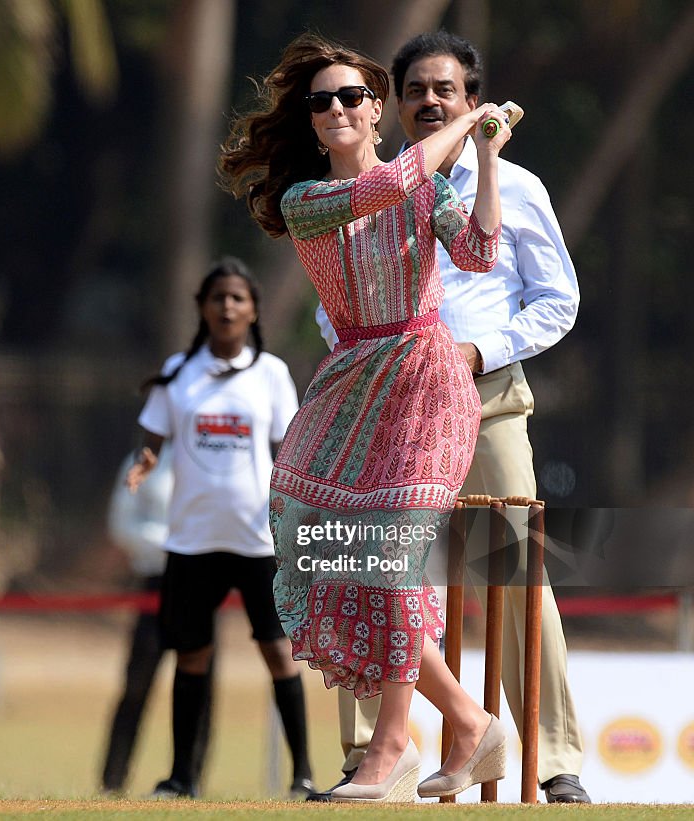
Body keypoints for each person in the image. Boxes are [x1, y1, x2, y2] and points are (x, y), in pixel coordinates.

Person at [219, 34, 513, 803]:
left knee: (391, 558)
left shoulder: (425, 184)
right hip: (353, 381)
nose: (338, 108)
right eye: (323, 102)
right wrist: (465, 120)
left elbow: (480, 255)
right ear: (312, 123)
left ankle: (391, 749)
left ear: (376, 109)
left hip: (428, 376)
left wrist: (484, 158)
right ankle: (470, 720)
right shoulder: (305, 200)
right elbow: (388, 186)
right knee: (318, 537)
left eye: (352, 96)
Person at [309, 31, 588, 805]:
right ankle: (370, 752)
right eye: (415, 92)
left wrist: (479, 351)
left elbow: (557, 301)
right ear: (392, 106)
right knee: (372, 567)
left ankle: (555, 759)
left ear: (471, 101)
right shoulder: (374, 187)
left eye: (446, 90)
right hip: (388, 406)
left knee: (514, 575)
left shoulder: (518, 186)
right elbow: (336, 305)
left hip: (487, 401)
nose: (429, 101)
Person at [127, 257, 313, 799]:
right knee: (192, 656)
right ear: (202, 308)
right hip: (192, 540)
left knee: (279, 654)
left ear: (253, 309)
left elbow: (288, 449)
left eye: (237, 298)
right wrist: (143, 463)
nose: (227, 307)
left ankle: (302, 775)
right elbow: (152, 438)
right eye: (217, 298)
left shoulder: (272, 374)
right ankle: (181, 777)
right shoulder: (179, 371)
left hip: (257, 541)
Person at [100, 443, 213, 794]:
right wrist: (173, 545)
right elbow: (122, 524)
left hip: (202, 583)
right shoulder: (140, 461)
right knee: (136, 685)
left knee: (201, 688)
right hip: (157, 582)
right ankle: (113, 780)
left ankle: (190, 778)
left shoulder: (215, 460)